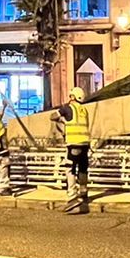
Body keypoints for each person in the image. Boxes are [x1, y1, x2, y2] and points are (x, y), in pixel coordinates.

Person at [53, 86, 91, 214]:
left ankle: (72, 196)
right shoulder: (84, 110)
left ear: (73, 97)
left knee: (70, 168)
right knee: (82, 168)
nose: (69, 98)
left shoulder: (68, 108)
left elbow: (53, 116)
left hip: (73, 144)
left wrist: (61, 118)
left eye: (70, 96)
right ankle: (84, 194)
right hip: (85, 144)